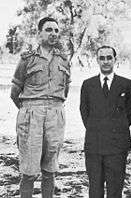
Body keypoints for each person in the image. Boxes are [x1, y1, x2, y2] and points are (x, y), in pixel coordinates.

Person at [10, 17, 71, 198]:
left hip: (55, 115)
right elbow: (14, 92)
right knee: (29, 172)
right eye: (48, 29)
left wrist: (51, 109)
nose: (53, 34)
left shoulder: (64, 59)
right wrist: (29, 112)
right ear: (39, 33)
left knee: (50, 170)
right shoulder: (27, 59)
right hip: (31, 115)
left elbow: (64, 91)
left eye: (56, 30)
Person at [80, 45, 131, 198]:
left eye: (109, 57)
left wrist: (115, 129)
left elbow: (130, 114)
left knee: (115, 190)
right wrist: (97, 128)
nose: (105, 61)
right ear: (97, 60)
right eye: (102, 58)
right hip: (94, 145)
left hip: (117, 145)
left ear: (115, 60)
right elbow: (85, 113)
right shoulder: (88, 84)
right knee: (95, 189)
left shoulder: (126, 84)